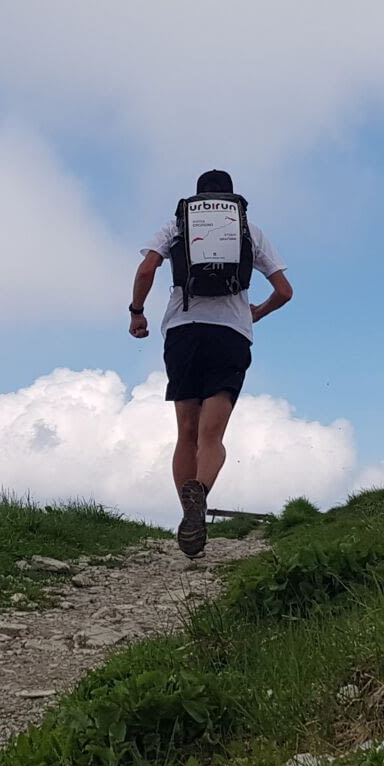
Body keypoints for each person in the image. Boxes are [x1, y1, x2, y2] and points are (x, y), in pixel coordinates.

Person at [128, 169, 293, 557]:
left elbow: (147, 268)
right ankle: (199, 493)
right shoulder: (248, 230)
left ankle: (189, 512)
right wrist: (257, 313)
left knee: (186, 432)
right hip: (230, 335)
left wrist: (137, 312)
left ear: (198, 197)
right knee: (212, 437)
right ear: (231, 199)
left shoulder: (178, 224)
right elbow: (284, 291)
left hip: (183, 332)